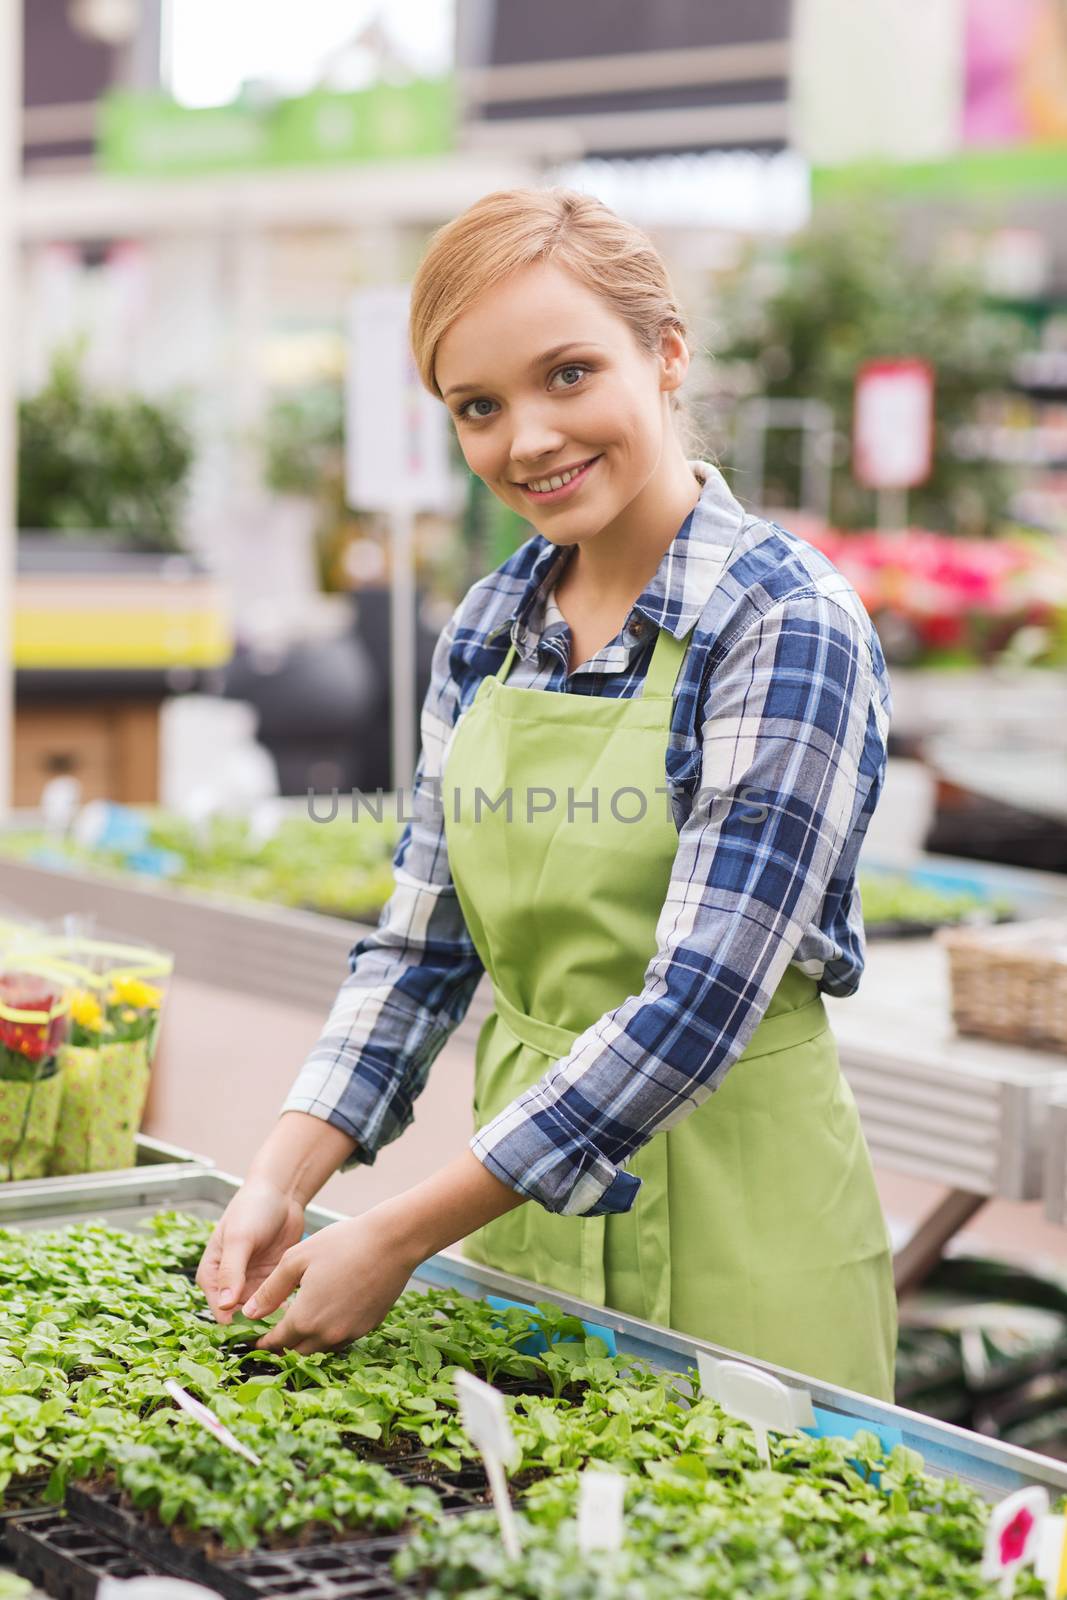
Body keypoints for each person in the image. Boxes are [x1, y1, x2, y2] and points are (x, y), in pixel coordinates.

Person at [197, 187, 897, 1398]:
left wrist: (401, 1232)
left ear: (666, 353)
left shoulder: (785, 625)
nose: (525, 438)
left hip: (744, 1229)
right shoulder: (488, 625)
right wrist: (281, 1172)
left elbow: (695, 1009)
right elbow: (417, 952)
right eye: (478, 406)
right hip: (523, 1217)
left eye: (567, 374)